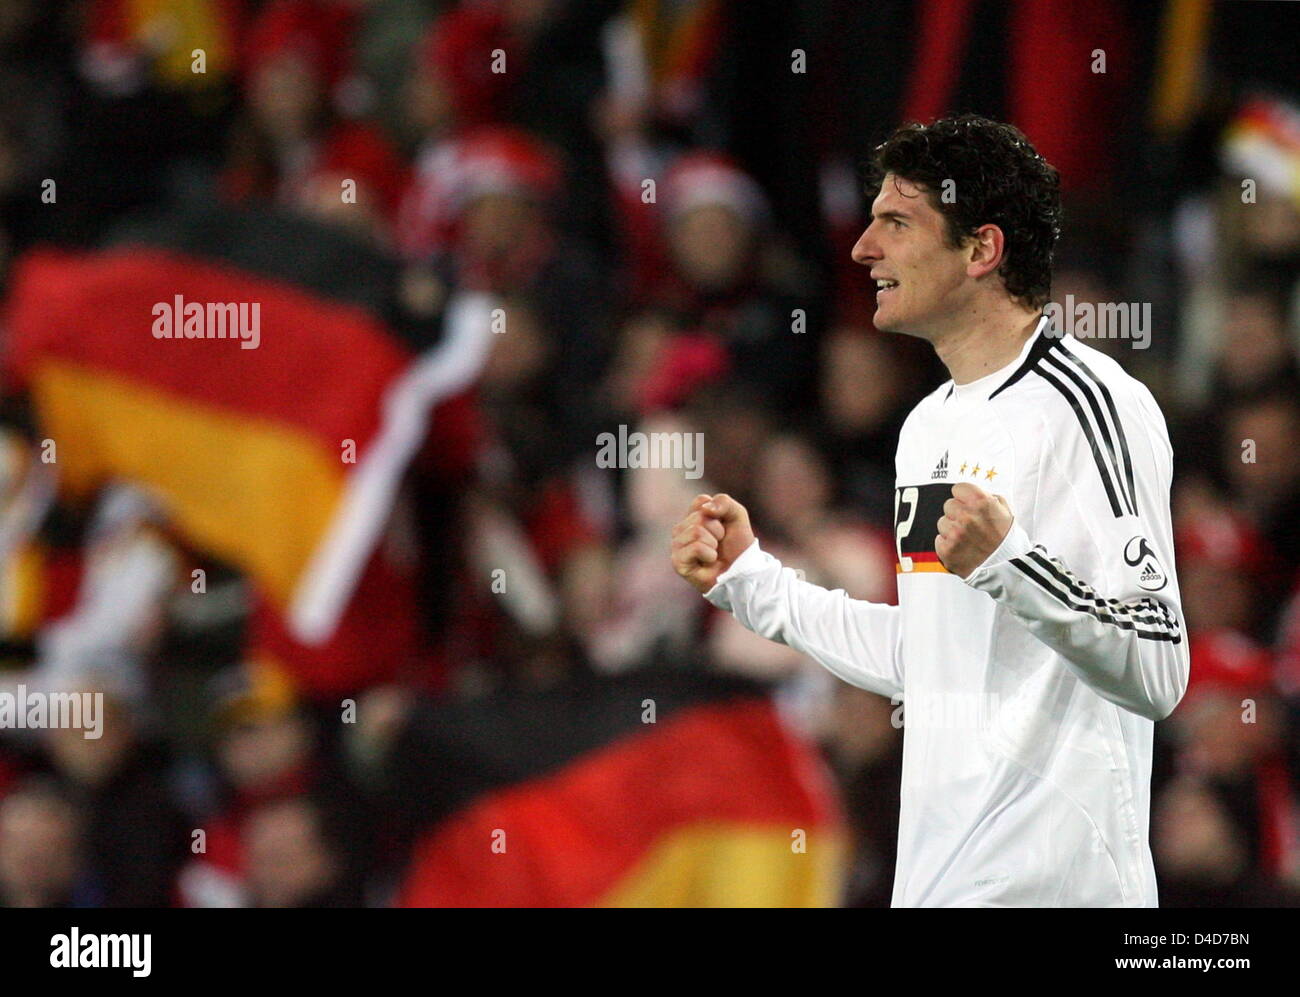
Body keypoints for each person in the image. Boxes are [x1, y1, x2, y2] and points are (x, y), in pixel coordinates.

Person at [670, 115, 1189, 907]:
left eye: (896, 223)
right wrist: (753, 582)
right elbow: (934, 654)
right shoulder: (929, 427)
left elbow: (1158, 666)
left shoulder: (1093, 406)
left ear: (982, 250)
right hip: (939, 884)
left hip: (1055, 890)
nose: (862, 248)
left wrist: (1013, 563)